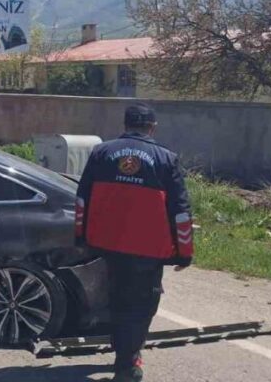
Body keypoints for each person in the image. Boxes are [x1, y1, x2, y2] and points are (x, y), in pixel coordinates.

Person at [75, 103, 193, 382]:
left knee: (117, 297)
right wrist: (184, 252)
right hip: (148, 250)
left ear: (126, 125)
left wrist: (81, 237)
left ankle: (123, 350)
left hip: (106, 244)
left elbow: (82, 200)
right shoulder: (166, 159)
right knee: (141, 306)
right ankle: (127, 365)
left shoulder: (101, 153)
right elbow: (181, 212)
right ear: (152, 127)